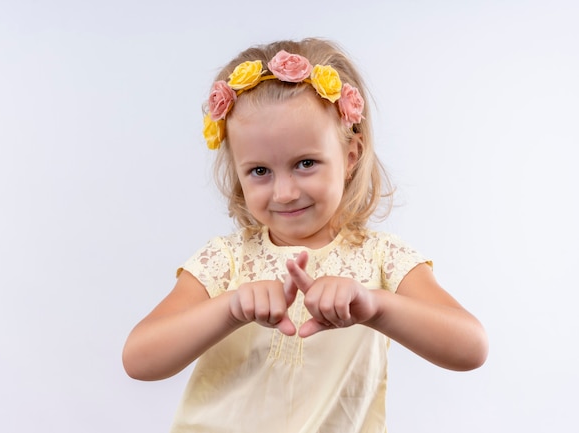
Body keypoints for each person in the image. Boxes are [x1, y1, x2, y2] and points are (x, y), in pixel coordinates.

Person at [122, 37, 488, 433]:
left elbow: (471, 347)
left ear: (351, 157)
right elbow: (139, 359)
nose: (285, 192)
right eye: (260, 171)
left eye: (306, 163)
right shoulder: (226, 259)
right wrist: (228, 309)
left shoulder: (383, 257)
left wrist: (377, 306)